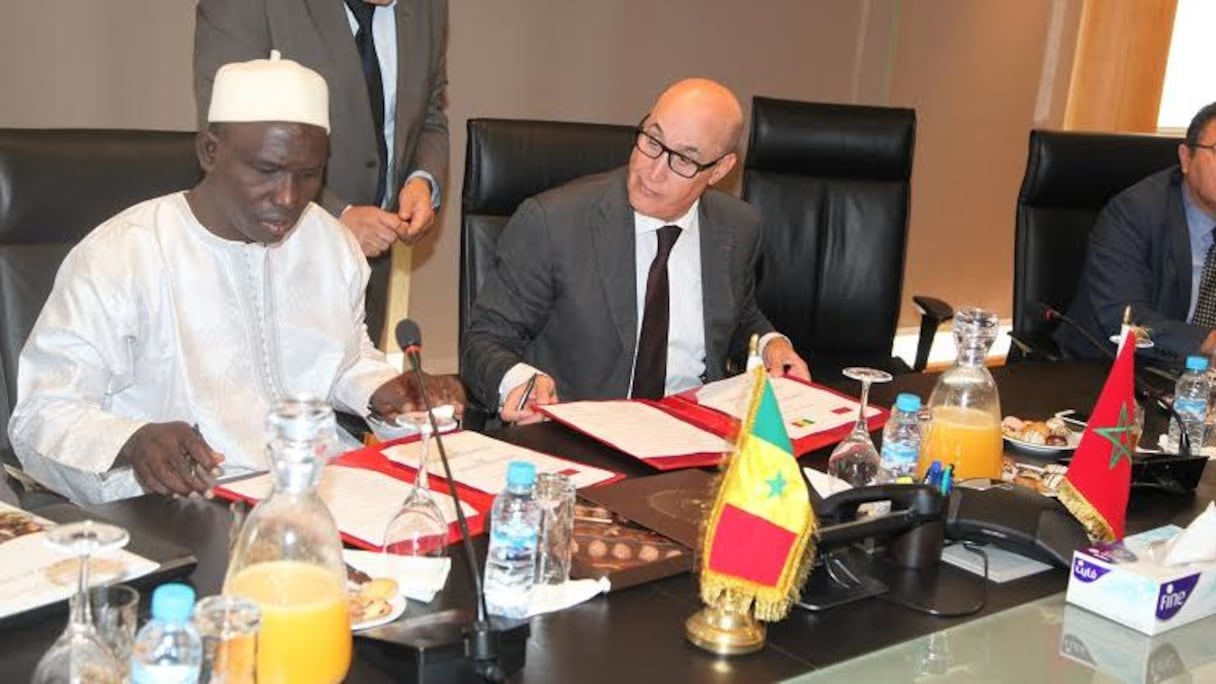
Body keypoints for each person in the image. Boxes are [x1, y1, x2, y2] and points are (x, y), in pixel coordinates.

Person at [8, 53, 462, 505]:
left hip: (317, 491)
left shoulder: (330, 244)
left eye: (308, 175)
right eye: (266, 170)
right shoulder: (124, 253)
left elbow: (342, 359)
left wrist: (384, 390)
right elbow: (40, 415)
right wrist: (132, 441)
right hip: (184, 507)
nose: (288, 197)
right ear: (210, 151)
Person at [460, 78, 810, 423]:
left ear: (719, 169)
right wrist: (518, 380)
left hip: (694, 434)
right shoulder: (553, 222)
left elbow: (737, 317)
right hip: (578, 434)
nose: (653, 172)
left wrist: (770, 344)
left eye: (684, 160)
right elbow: (484, 340)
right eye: (653, 140)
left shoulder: (738, 227)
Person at [194, 0, 449, 345]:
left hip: (370, 268)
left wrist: (422, 179)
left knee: (353, 387)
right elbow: (231, 142)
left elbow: (430, 110)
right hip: (266, 261)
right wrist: (336, 217)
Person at [1058, 101, 1216, 366]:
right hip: (1106, 371)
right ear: (1186, 158)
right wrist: (1207, 342)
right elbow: (1125, 320)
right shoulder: (1134, 213)